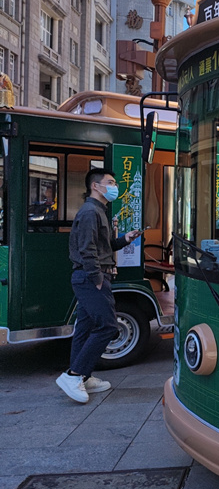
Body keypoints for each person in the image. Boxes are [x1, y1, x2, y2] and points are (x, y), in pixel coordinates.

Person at [56, 168, 142, 404]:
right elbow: (87, 251)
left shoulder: (98, 211)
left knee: (84, 328)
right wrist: (96, 279)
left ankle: (83, 376)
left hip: (91, 276)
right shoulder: (90, 212)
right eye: (110, 182)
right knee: (107, 326)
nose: (115, 186)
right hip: (91, 277)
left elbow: (103, 247)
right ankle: (73, 375)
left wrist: (125, 239)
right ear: (96, 186)